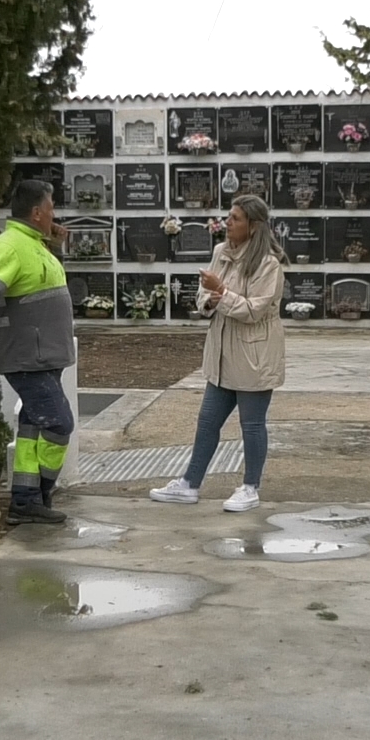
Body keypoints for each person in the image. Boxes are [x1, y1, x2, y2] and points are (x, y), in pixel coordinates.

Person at [149, 193, 286, 512]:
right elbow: (202, 297)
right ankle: (189, 484)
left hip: (254, 355)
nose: (228, 223)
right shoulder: (220, 253)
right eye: (228, 216)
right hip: (221, 354)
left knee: (252, 425)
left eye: (235, 218)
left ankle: (250, 487)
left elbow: (254, 310)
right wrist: (209, 301)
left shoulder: (268, 264)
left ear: (253, 226)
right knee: (207, 421)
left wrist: (221, 293)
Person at [0, 179, 73, 525]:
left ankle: (25, 501)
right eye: (51, 209)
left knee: (33, 428)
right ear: (36, 213)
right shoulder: (9, 246)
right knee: (59, 423)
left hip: (45, 356)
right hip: (28, 358)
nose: (54, 215)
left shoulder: (35, 244)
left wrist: (56, 244)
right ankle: (42, 493)